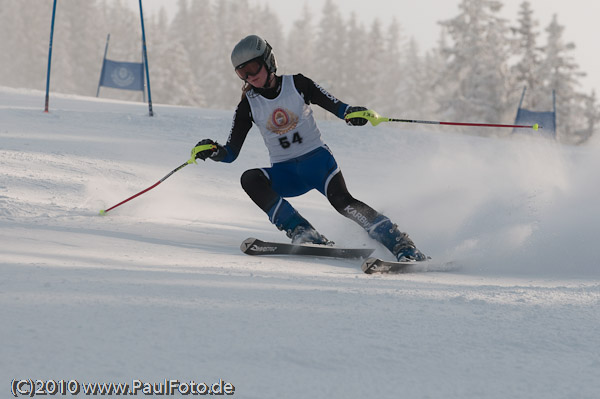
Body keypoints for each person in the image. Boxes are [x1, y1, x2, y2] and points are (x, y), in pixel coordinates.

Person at [192, 34, 426, 262]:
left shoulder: (298, 84)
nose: (249, 76)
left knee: (343, 202)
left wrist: (352, 113)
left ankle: (402, 245)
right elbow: (230, 153)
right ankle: (302, 231)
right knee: (250, 178)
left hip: (318, 164)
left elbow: (338, 107)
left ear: (268, 61)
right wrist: (214, 151)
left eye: (253, 68)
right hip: (286, 173)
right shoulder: (248, 105)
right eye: (242, 72)